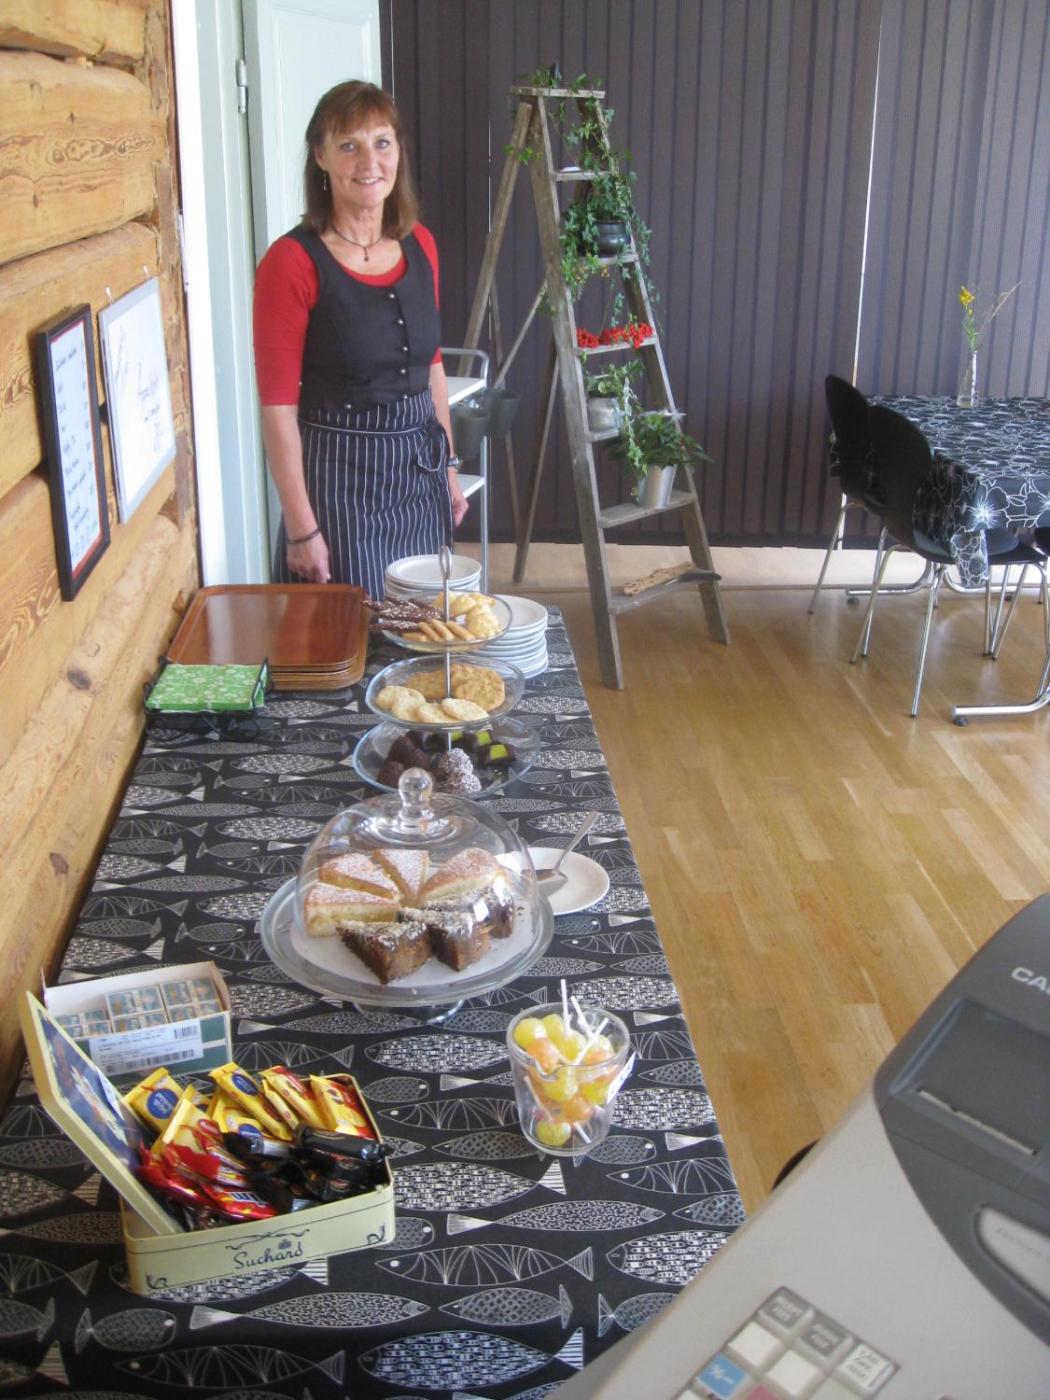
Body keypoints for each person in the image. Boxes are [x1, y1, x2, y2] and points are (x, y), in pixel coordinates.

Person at [253, 81, 468, 596]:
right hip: (339, 494)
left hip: (420, 482)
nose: (369, 161)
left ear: (398, 152)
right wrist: (302, 529)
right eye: (348, 145)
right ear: (320, 156)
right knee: (355, 631)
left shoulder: (422, 245)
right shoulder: (291, 263)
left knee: (426, 625)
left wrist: (449, 470)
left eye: (382, 143)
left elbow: (432, 368)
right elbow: (278, 409)